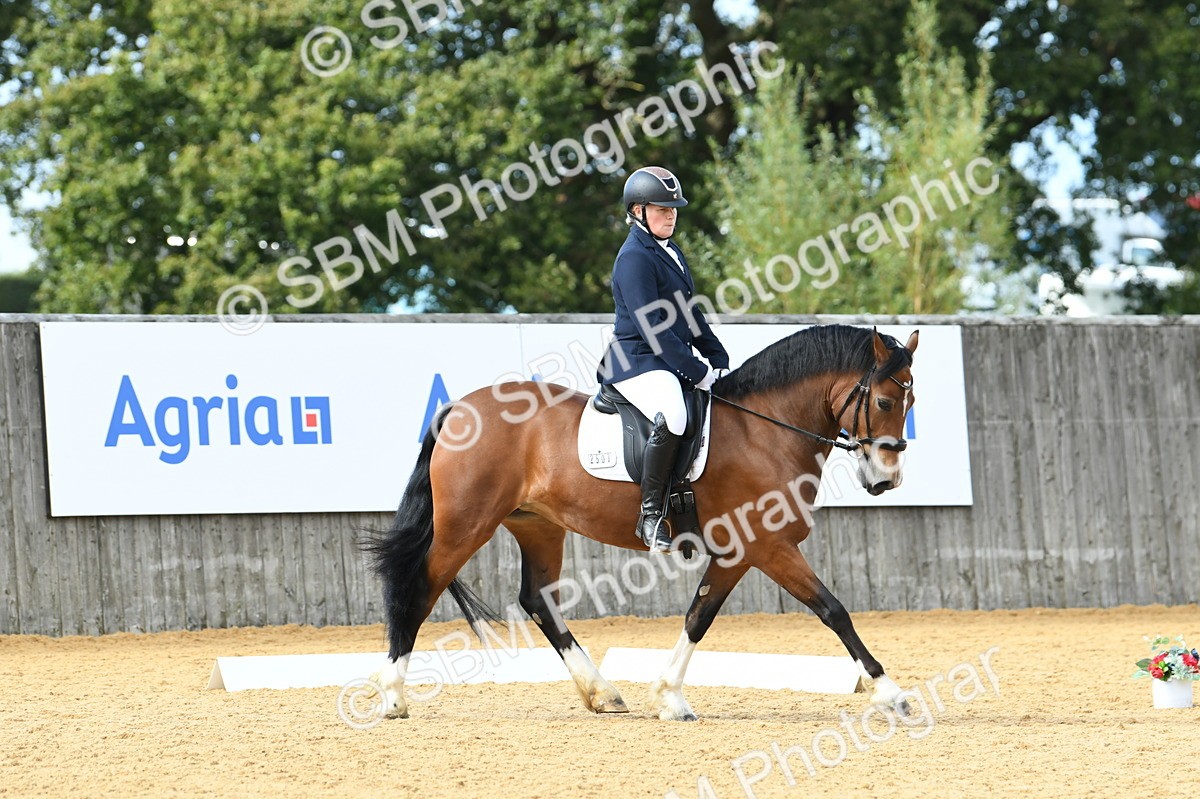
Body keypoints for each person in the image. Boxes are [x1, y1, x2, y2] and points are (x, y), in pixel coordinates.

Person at [597, 166, 730, 552]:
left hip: (660, 357)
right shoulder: (634, 258)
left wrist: (715, 353)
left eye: (673, 209)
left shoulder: (669, 251)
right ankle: (651, 515)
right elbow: (653, 327)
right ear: (638, 211)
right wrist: (696, 370)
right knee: (674, 413)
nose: (670, 214)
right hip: (634, 361)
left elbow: (688, 312)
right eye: (661, 208)